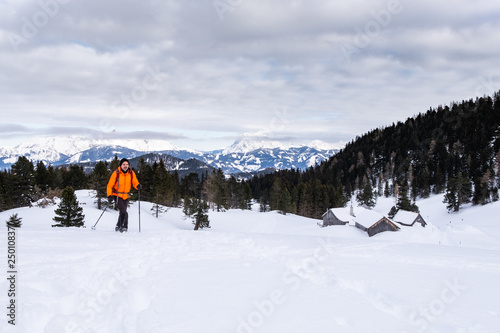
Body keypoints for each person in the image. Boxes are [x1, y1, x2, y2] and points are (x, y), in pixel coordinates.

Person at [107, 158, 142, 232]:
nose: (125, 166)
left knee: (122, 211)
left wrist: (137, 186)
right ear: (121, 165)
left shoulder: (131, 173)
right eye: (124, 164)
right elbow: (110, 185)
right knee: (123, 210)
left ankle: (118, 226)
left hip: (126, 195)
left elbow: (135, 182)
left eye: (127, 164)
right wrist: (109, 195)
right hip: (117, 195)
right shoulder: (116, 173)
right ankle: (124, 226)